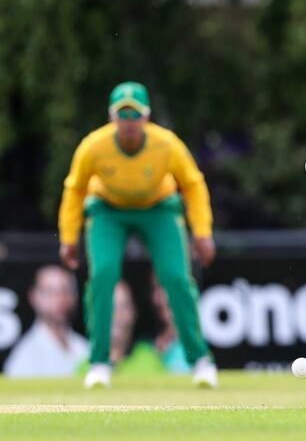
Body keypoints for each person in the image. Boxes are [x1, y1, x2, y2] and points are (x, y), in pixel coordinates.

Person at [56, 81, 218, 389]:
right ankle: (100, 363)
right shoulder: (94, 146)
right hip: (107, 211)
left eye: (135, 115)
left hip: (158, 209)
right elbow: (75, 189)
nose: (129, 123)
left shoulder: (166, 144)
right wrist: (68, 237)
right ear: (111, 117)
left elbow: (193, 184)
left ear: (146, 117)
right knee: (103, 275)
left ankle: (200, 360)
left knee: (176, 278)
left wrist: (202, 232)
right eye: (122, 115)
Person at [3, 265, 88, 377]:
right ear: (33, 297)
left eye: (66, 290)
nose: (60, 298)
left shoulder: (83, 346)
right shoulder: (24, 357)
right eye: (50, 292)